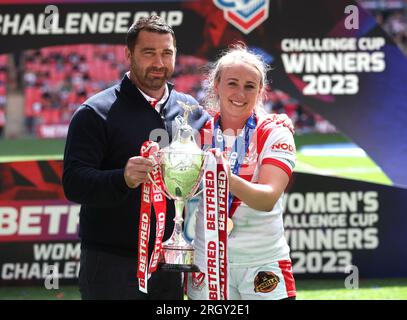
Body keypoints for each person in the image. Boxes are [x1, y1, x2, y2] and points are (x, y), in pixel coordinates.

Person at [62, 15, 210, 300]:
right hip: (111, 264)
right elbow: (73, 183)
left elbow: (226, 132)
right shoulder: (95, 112)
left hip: (169, 263)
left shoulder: (189, 109)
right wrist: (122, 178)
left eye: (167, 53)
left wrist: (274, 122)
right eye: (149, 52)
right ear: (128, 54)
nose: (159, 62)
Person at [187, 44, 297, 300]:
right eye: (232, 83)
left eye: (250, 86)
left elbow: (268, 198)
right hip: (208, 260)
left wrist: (224, 176)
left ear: (260, 91)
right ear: (216, 85)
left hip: (262, 262)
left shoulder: (274, 132)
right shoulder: (197, 133)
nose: (240, 93)